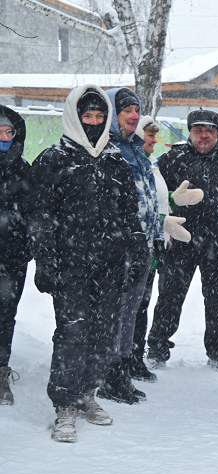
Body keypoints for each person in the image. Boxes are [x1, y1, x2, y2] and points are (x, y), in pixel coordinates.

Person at [26, 84, 147, 442]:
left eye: (98, 116)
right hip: (70, 267)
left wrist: (137, 253)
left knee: (102, 333)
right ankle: (64, 404)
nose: (93, 122)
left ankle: (87, 395)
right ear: (75, 118)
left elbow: (129, 215)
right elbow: (40, 216)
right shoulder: (54, 159)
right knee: (72, 335)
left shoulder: (115, 161)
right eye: (87, 116)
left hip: (108, 266)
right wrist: (46, 261)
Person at [98, 89, 193, 405]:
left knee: (129, 313)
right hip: (118, 248)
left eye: (137, 109)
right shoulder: (109, 151)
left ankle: (121, 370)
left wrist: (161, 223)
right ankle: (109, 375)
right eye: (126, 109)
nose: (134, 115)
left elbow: (148, 201)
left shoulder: (136, 155)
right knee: (117, 313)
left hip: (141, 246)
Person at [147, 110, 218, 370]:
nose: (204, 135)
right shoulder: (173, 159)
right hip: (180, 240)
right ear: (190, 132)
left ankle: (217, 352)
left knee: (216, 300)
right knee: (170, 295)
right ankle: (157, 346)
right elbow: (157, 196)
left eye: (209, 131)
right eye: (199, 130)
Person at [127, 115, 203, 387]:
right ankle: (124, 361)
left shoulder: (150, 164)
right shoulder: (128, 163)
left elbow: (152, 199)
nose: (154, 140)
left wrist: (173, 199)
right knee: (133, 304)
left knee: (142, 302)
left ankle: (133, 357)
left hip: (153, 245)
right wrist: (161, 221)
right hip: (135, 245)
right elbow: (132, 208)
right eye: (149, 135)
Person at [0, 105, 30, 405]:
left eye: (8, 132)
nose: (3, 137)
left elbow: (34, 215)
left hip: (11, 258)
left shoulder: (23, 170)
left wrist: (27, 249)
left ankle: (0, 370)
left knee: (5, 315)